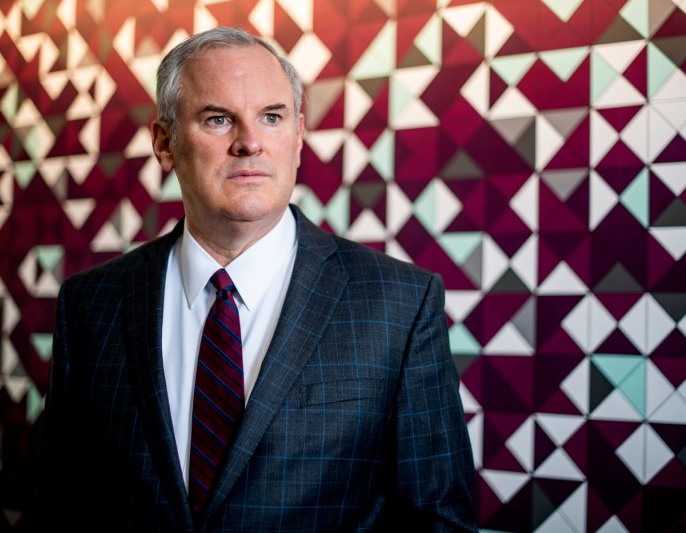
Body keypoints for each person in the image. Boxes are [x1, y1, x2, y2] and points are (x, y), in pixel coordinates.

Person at [36, 27, 477, 532]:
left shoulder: (401, 303)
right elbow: (61, 508)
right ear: (165, 143)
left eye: (271, 117)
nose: (249, 142)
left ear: (297, 136)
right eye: (218, 119)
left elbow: (438, 522)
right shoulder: (90, 303)